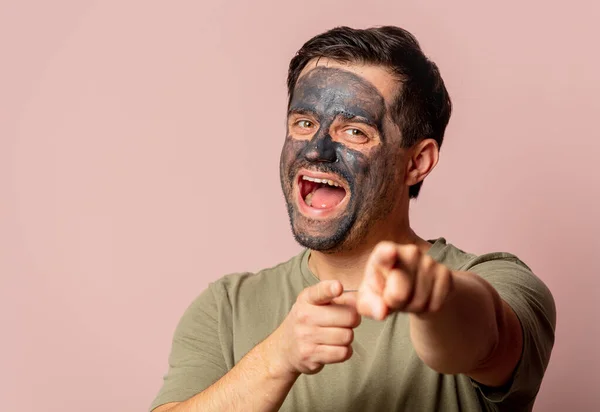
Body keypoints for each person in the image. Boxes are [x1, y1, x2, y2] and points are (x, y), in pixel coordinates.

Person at [149, 26, 556, 412]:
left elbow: (484, 339)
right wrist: (279, 357)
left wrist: (434, 298)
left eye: (355, 132)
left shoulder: (498, 280)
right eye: (304, 123)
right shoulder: (227, 307)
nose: (316, 150)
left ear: (417, 162)